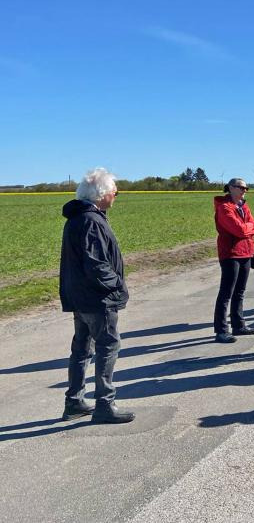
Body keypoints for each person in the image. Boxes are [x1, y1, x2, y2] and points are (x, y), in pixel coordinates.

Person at [59, 168, 134, 424]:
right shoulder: (91, 221)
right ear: (102, 193)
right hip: (96, 298)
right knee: (107, 346)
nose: (116, 195)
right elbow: (97, 265)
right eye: (115, 190)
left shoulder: (79, 218)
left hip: (80, 297)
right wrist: (117, 286)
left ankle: (74, 401)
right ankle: (105, 403)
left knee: (81, 348)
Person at [213, 178, 254, 343]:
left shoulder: (243, 206)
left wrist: (248, 228)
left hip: (246, 252)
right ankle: (221, 330)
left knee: (240, 291)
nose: (244, 190)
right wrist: (248, 228)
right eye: (240, 187)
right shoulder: (224, 208)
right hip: (230, 254)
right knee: (226, 292)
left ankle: (238, 325)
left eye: (246, 188)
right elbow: (239, 229)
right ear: (230, 188)